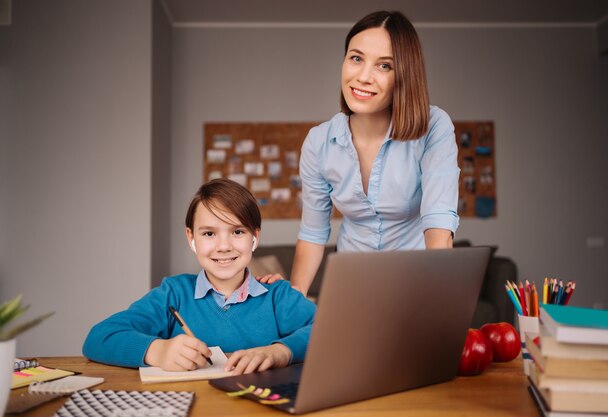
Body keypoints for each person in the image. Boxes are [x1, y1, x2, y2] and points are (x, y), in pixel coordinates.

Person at [259, 11, 459, 296]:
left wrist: (437, 298)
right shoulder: (320, 142)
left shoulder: (433, 127)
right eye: (356, 58)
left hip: (415, 283)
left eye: (384, 66)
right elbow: (314, 234)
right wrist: (294, 300)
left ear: (405, 74)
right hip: (351, 285)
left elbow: (438, 222)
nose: (363, 77)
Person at [83, 179, 316, 375]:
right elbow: (99, 338)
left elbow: (331, 332)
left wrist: (281, 351)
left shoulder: (277, 296)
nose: (223, 246)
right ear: (191, 238)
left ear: (255, 237)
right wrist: (157, 351)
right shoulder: (172, 294)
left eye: (237, 232)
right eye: (209, 233)